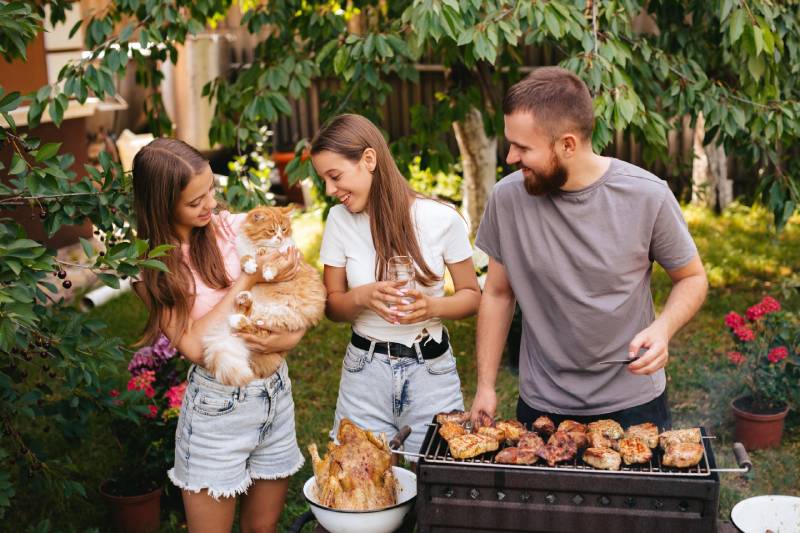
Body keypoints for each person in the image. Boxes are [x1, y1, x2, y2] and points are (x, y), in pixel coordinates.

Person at [470, 67, 708, 431]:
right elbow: (499, 293)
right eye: (510, 143)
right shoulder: (508, 199)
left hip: (634, 404)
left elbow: (691, 278)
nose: (510, 158)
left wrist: (663, 329)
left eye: (522, 147)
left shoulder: (647, 195)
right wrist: (485, 386)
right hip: (542, 406)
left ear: (567, 144)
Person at [131, 138, 305, 533]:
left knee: (262, 528)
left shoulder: (228, 227)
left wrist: (285, 335)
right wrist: (247, 279)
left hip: (275, 393)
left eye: (211, 189)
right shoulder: (156, 266)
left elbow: (287, 274)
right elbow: (194, 345)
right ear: (163, 205)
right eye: (196, 202)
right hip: (218, 409)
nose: (210, 204)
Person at [311, 114, 481, 457]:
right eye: (324, 180)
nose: (330, 190)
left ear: (369, 160)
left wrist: (432, 306)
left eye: (335, 176)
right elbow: (332, 307)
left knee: (438, 481)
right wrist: (362, 296)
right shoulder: (339, 221)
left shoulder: (440, 218)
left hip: (431, 373)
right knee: (359, 484)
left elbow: (472, 297)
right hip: (365, 373)